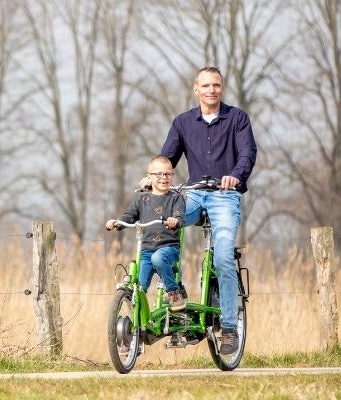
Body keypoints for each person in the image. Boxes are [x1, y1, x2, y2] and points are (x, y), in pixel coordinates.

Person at [160, 66, 257, 355]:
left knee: (224, 256)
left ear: (222, 88)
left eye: (216, 85)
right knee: (164, 224)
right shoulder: (182, 123)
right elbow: (167, 158)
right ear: (196, 89)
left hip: (224, 195)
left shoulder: (237, 119)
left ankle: (228, 327)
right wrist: (153, 177)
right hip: (192, 195)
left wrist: (235, 176)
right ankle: (176, 293)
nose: (211, 90)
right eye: (206, 86)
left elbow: (248, 153)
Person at [106, 156, 186, 311]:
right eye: (158, 174)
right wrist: (117, 223)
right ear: (149, 177)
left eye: (168, 174)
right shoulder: (142, 199)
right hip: (147, 250)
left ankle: (174, 293)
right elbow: (129, 216)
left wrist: (174, 220)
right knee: (140, 286)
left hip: (168, 248)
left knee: (158, 258)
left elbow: (179, 217)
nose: (163, 178)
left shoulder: (176, 198)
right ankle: (139, 323)